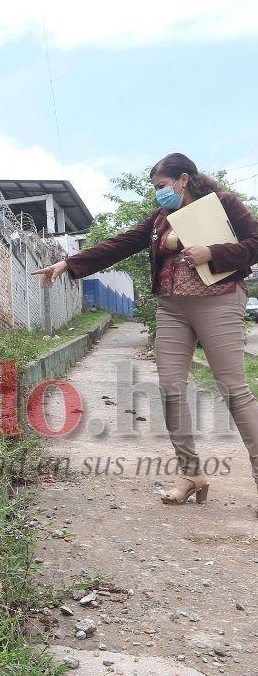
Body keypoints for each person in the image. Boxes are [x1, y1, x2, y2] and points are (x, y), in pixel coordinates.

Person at [34, 153, 258, 506]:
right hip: (172, 308)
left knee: (233, 389)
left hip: (219, 300)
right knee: (170, 389)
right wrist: (67, 262)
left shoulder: (222, 203)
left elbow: (255, 243)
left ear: (183, 179)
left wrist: (212, 251)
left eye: (162, 186)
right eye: (155, 188)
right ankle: (191, 473)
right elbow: (121, 244)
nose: (159, 194)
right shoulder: (159, 219)